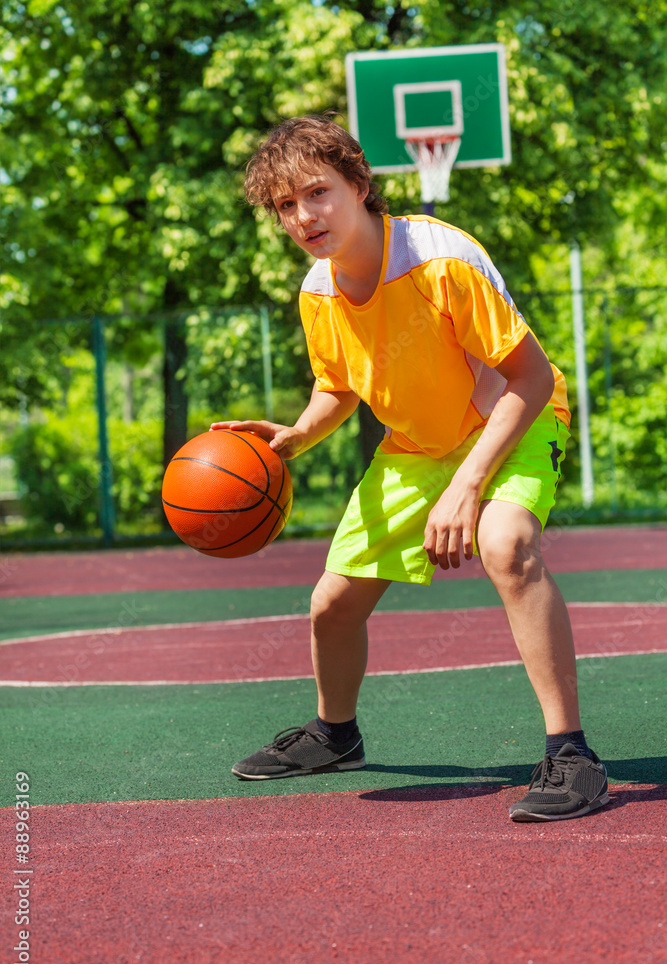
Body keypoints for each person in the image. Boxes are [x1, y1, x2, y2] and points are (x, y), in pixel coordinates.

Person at [211, 114, 609, 822]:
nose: (302, 216)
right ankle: (335, 734)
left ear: (359, 184)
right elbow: (338, 385)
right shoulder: (318, 291)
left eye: (316, 193)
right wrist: (297, 435)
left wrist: (467, 486)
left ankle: (571, 754)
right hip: (417, 444)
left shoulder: (439, 259)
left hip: (510, 423)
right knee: (331, 605)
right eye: (284, 205)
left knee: (505, 544)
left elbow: (531, 379)